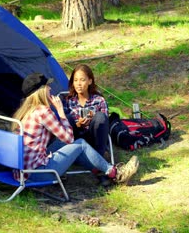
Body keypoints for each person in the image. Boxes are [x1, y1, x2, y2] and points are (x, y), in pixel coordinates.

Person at [11, 72, 139, 185]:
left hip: (21, 172)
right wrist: (61, 112)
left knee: (65, 144)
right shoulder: (43, 111)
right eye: (47, 86)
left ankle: (100, 170)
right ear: (40, 91)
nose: (50, 88)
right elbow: (69, 138)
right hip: (36, 174)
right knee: (80, 144)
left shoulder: (25, 111)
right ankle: (116, 173)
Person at [64, 64, 110, 158]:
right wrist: (79, 124)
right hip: (76, 138)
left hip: (94, 137)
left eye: (82, 80)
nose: (78, 84)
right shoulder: (68, 102)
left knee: (100, 117)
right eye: (75, 80)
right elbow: (65, 125)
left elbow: (105, 123)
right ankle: (73, 155)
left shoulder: (99, 100)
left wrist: (93, 120)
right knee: (68, 118)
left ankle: (99, 156)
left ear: (90, 81)